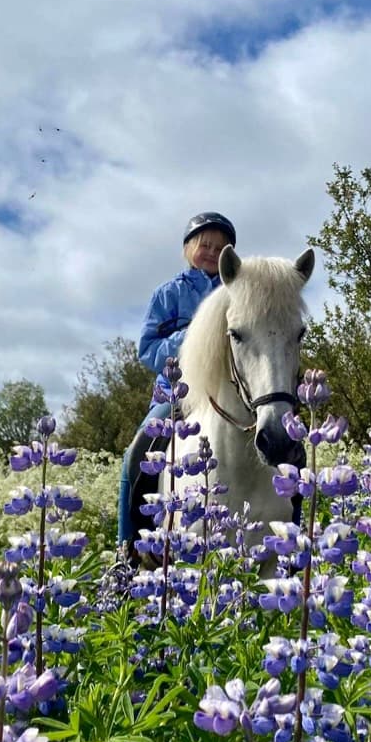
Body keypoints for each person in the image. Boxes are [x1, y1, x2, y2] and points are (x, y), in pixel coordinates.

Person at [117, 212, 236, 548]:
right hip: (175, 397)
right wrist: (193, 336)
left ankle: (295, 546)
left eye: (220, 247)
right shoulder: (167, 294)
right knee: (136, 452)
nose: (212, 252)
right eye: (205, 245)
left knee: (286, 451)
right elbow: (147, 350)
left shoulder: (237, 292)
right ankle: (127, 547)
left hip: (230, 396)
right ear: (188, 249)